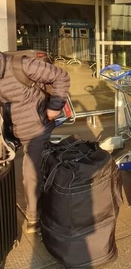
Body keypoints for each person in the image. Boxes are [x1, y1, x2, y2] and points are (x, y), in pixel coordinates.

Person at [0, 53, 70, 232]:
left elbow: (61, 76)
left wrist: (54, 106)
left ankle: (34, 216)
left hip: (36, 126)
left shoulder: (21, 65)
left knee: (30, 172)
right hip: (9, 127)